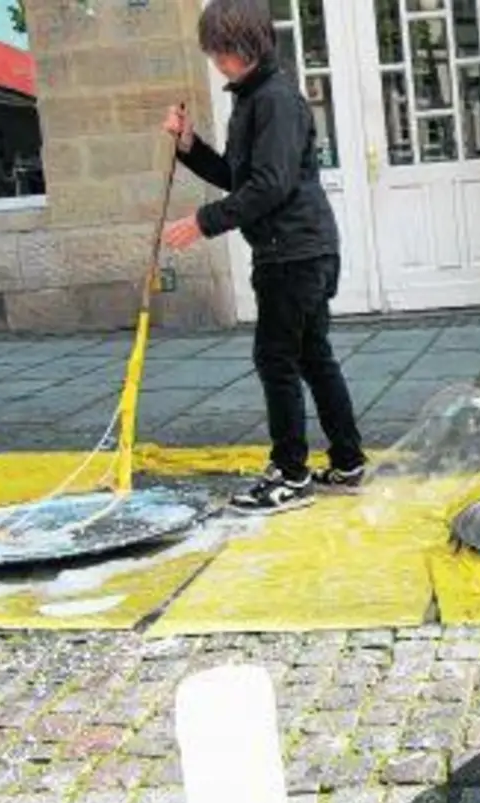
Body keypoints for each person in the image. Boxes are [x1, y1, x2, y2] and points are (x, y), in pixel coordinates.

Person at [160, 0, 365, 514]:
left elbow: (270, 186)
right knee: (312, 355)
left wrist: (203, 222)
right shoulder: (253, 99)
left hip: (294, 253)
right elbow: (239, 176)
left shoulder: (275, 100)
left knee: (275, 358)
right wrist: (189, 146)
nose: (214, 60)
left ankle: (291, 477)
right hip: (298, 249)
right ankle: (347, 462)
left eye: (219, 51)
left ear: (244, 47)